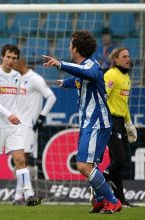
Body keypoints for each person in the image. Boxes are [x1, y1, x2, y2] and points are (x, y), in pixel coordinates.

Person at [42, 30, 122, 214]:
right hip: (89, 123)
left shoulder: (92, 66)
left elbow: (90, 74)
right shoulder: (85, 68)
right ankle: (101, 199)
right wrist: (65, 82)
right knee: (88, 165)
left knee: (83, 166)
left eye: (71, 44)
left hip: (97, 123)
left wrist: (60, 64)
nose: (69, 47)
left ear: (76, 48)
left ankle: (113, 200)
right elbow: (80, 79)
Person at [0, 44, 40, 206]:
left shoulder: (17, 76)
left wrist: (17, 116)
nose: (11, 61)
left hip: (13, 126)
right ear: (2, 57)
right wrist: (9, 115)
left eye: (14, 58)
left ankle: (28, 195)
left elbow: (14, 102)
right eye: (8, 57)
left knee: (20, 159)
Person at [13, 57, 56, 204]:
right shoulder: (15, 78)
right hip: (16, 125)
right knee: (20, 160)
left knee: (22, 159)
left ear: (22, 63)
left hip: (29, 126)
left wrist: (41, 117)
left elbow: (51, 97)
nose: (12, 64)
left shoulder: (35, 79)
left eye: (15, 61)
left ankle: (22, 195)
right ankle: (19, 196)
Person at [102, 47, 137, 207]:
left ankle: (120, 199)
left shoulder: (127, 78)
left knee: (117, 161)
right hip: (109, 120)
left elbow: (124, 104)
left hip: (120, 122)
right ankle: (98, 183)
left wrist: (129, 124)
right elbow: (102, 98)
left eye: (128, 56)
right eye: (124, 56)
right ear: (115, 59)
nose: (128, 58)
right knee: (120, 160)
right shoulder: (111, 75)